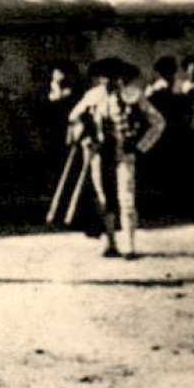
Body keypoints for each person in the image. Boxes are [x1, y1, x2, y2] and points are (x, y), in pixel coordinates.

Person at [67, 56, 166, 259]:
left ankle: (129, 247)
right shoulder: (92, 96)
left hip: (124, 152)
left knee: (126, 198)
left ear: (123, 77)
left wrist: (140, 146)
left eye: (114, 76)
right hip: (100, 153)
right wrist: (85, 137)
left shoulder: (134, 96)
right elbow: (73, 118)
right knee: (104, 198)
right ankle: (110, 243)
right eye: (105, 77)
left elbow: (158, 122)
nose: (109, 81)